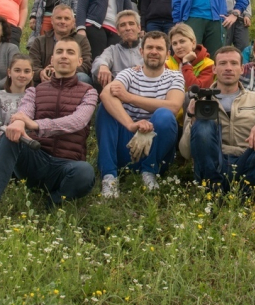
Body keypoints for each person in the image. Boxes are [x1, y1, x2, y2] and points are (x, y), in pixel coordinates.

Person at [0, 37, 98, 238]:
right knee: (11, 136)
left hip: (66, 168)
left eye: (70, 52)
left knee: (85, 172)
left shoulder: (89, 92)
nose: (64, 56)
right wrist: (19, 123)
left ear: (79, 61)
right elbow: (24, 113)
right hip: (36, 159)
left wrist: (36, 125)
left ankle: (53, 202)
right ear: (52, 59)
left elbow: (77, 121)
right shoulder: (34, 90)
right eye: (60, 52)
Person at [180, 46, 255, 195]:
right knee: (204, 124)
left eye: (234, 63)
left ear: (242, 69)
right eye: (223, 64)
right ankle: (213, 189)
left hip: (245, 162)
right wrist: (192, 120)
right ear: (214, 69)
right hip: (214, 163)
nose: (228, 68)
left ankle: (242, 189)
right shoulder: (201, 101)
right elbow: (185, 152)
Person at [96, 31, 184, 198]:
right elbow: (105, 94)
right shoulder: (129, 73)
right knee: (105, 108)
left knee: (164, 115)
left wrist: (128, 97)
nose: (154, 51)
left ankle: (149, 172)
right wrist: (130, 124)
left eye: (159, 48)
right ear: (141, 52)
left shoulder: (175, 77)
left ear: (167, 54)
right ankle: (109, 176)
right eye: (149, 47)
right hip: (127, 144)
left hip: (156, 146)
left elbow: (173, 106)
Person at [29, 5, 93, 85]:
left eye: (66, 18)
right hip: (46, 80)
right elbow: (32, 65)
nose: (62, 21)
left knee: (82, 77)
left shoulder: (81, 40)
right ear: (52, 20)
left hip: (72, 79)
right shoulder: (39, 41)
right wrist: (41, 73)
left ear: (73, 22)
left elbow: (86, 64)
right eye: (59, 18)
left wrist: (63, 72)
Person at [90, 10, 144, 91]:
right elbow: (100, 60)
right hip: (118, 94)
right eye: (123, 25)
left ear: (139, 28)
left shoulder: (148, 47)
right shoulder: (112, 50)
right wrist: (102, 65)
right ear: (117, 31)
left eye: (131, 24)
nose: (128, 28)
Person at [0, 53, 34, 146]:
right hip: (1, 147)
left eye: (27, 71)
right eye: (17, 70)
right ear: (9, 72)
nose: (22, 75)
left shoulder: (35, 98)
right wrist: (11, 136)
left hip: (29, 147)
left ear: (32, 75)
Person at [166, 23, 214, 89]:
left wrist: (186, 64)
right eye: (174, 43)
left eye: (182, 41)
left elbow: (198, 90)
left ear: (193, 43)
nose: (178, 47)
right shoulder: (167, 64)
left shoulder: (208, 64)